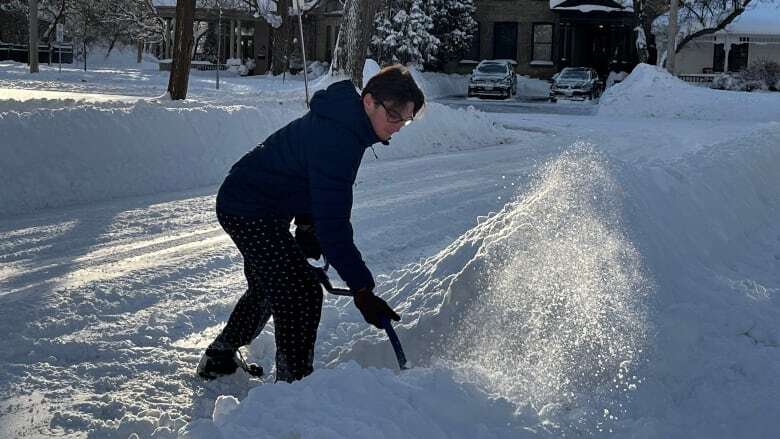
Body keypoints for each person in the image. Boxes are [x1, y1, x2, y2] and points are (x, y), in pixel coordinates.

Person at [197, 65, 425, 382]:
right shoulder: (341, 137)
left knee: (268, 286)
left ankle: (219, 357)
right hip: (247, 208)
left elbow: (308, 177)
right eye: (395, 116)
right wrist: (362, 289)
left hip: (261, 205)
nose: (399, 126)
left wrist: (305, 224)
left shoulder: (348, 125)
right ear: (370, 102)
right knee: (300, 291)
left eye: (407, 119)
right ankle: (294, 385)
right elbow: (334, 226)